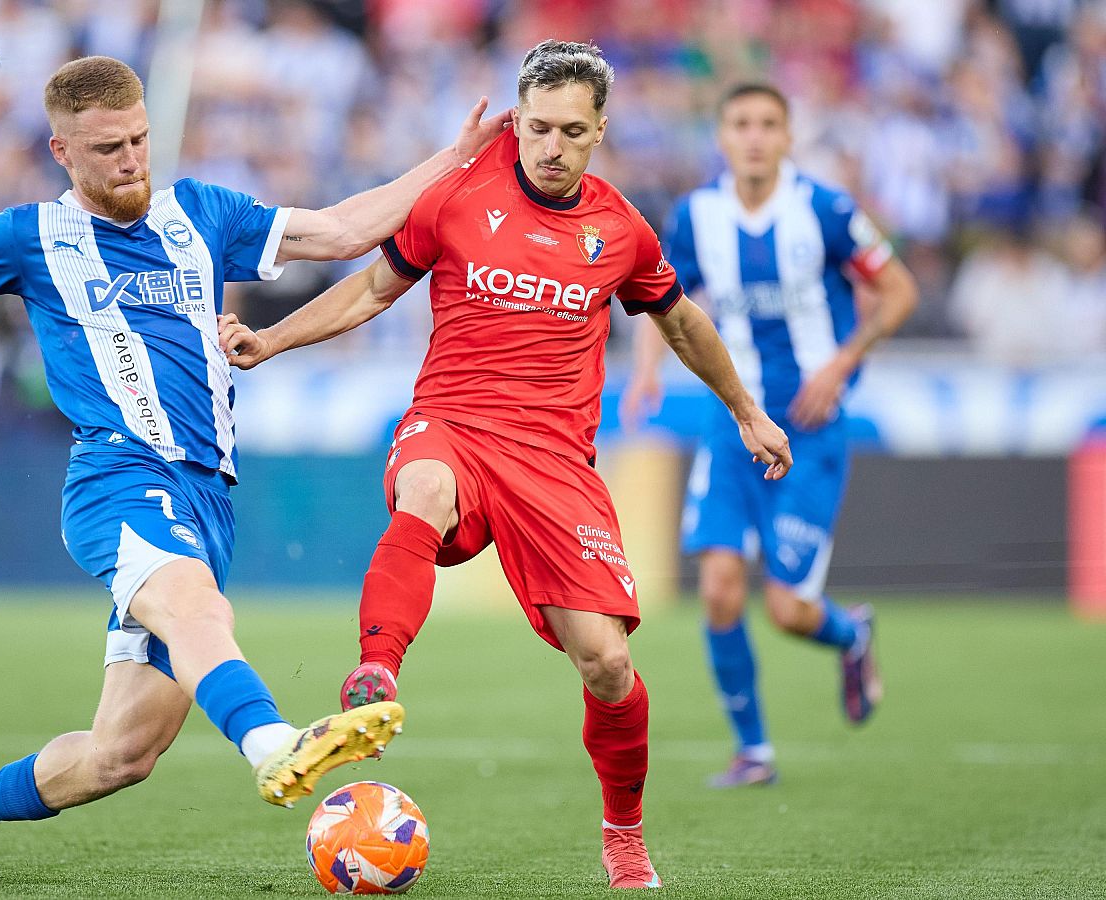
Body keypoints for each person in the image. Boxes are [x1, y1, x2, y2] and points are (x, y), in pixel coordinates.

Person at [0, 56, 509, 881]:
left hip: (209, 496)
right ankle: (275, 744)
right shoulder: (27, 235)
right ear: (62, 151)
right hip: (117, 477)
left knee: (120, 756)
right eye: (108, 147)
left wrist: (455, 157)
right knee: (196, 608)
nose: (132, 160)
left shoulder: (202, 213)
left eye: (140, 139)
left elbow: (342, 230)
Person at [221, 41, 791, 891]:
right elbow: (374, 290)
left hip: (556, 463)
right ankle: (376, 669)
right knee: (423, 489)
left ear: (600, 131)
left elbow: (681, 324)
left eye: (570, 131)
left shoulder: (620, 229)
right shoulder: (456, 194)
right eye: (535, 128)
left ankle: (624, 831)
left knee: (605, 664)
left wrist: (747, 411)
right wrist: (269, 341)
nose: (549, 147)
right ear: (515, 122)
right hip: (451, 423)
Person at [621, 84, 920, 788]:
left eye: (768, 124)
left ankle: (851, 634)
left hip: (812, 429)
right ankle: (753, 750)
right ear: (721, 136)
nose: (754, 136)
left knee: (787, 609)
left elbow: (899, 289)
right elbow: (660, 297)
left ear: (788, 136)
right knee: (720, 587)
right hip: (732, 427)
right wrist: (644, 372)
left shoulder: (825, 209)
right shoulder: (698, 215)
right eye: (741, 124)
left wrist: (843, 364)